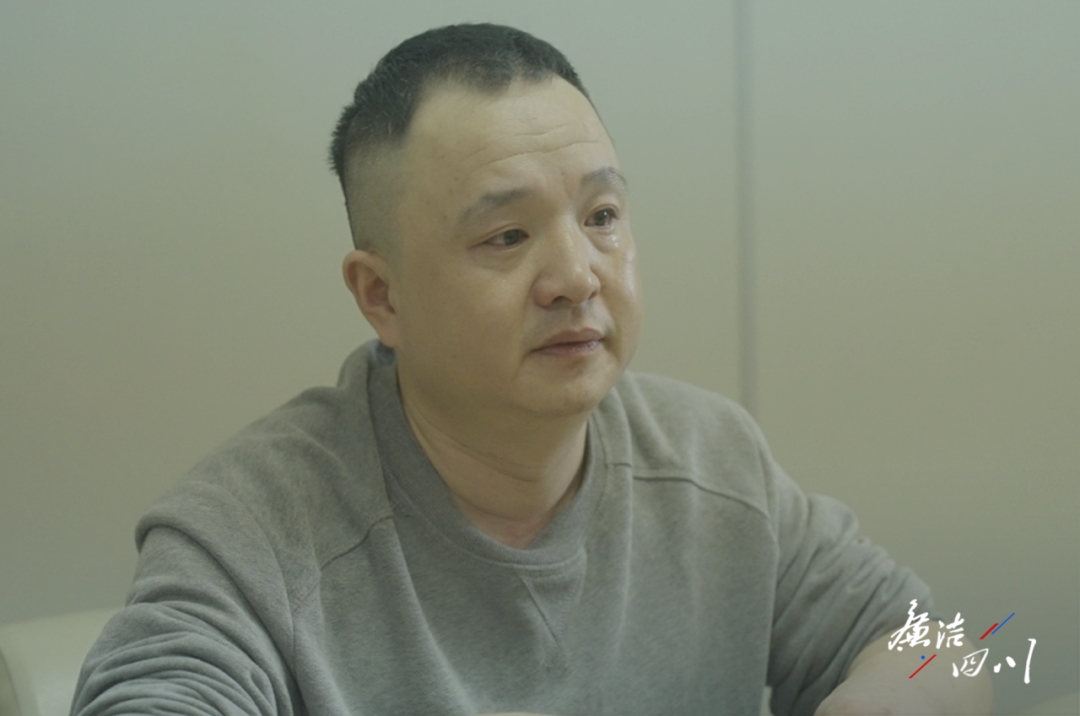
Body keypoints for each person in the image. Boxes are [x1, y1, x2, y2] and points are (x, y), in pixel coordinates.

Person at [71, 23, 991, 716]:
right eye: (507, 236)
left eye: (601, 217)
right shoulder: (253, 528)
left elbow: (951, 647)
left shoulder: (713, 460)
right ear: (381, 296)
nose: (577, 276)